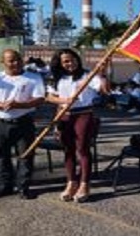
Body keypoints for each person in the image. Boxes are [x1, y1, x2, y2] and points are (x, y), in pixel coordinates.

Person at [0, 49, 45, 200]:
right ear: (2, 62)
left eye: (18, 59)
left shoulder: (33, 78)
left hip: (23, 121)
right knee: (2, 156)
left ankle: (24, 186)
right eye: (11, 61)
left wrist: (18, 105)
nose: (15, 63)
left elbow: (39, 99)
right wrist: (0, 105)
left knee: (25, 156)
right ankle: (5, 185)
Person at [46, 49, 108, 203]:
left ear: (77, 60)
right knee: (68, 150)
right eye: (66, 61)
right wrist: (63, 103)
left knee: (82, 149)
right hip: (64, 115)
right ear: (60, 63)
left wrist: (102, 73)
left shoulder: (88, 75)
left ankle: (84, 185)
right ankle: (71, 182)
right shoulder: (56, 78)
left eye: (72, 59)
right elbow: (49, 97)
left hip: (84, 114)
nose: (70, 63)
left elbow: (105, 90)